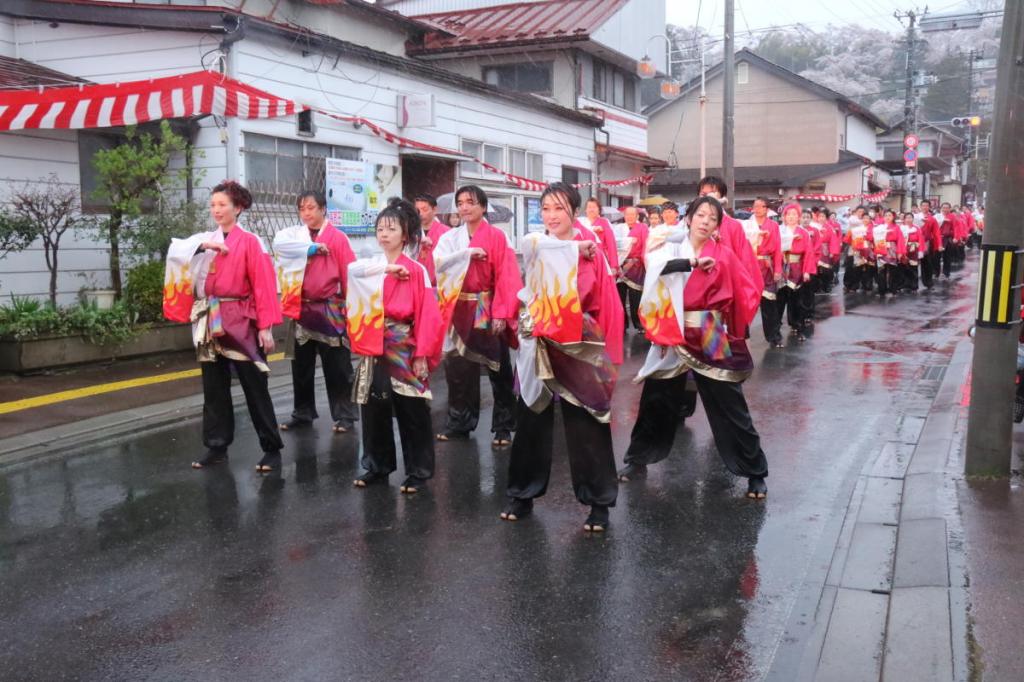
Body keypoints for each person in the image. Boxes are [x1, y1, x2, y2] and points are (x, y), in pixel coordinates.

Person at [617, 196, 768, 499]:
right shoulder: (670, 249)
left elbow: (747, 291)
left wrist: (735, 330)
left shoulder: (724, 254)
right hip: (672, 327)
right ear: (688, 218)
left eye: (713, 218)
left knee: (729, 402)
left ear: (717, 226)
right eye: (700, 215)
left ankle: (755, 471)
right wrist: (657, 332)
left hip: (710, 328)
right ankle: (638, 459)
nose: (705, 221)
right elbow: (653, 286)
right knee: (656, 398)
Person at [501, 183, 624, 532]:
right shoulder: (538, 245)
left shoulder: (592, 251)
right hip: (539, 340)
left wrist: (609, 356)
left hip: (580, 342)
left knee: (586, 421)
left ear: (574, 211)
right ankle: (522, 493)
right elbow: (528, 256)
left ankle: (598, 502)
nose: (551, 216)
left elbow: (608, 305)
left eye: (559, 208)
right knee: (531, 417)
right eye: (545, 209)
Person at [163, 181, 284, 472]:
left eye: (222, 205)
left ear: (238, 208)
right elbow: (176, 250)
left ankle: (271, 448)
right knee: (214, 387)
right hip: (209, 318)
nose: (216, 210)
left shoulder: (252, 242)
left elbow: (264, 285)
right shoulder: (205, 238)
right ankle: (217, 446)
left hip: (241, 318)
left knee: (255, 386)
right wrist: (204, 245)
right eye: (213, 205)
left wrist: (265, 327)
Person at [347, 199, 444, 493]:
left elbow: (428, 315)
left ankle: (418, 469)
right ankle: (377, 465)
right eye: (380, 229)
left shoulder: (416, 270)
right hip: (375, 342)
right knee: (374, 406)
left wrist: (422, 353)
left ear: (405, 234)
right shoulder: (372, 266)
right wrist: (384, 271)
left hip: (404, 343)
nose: (384, 234)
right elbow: (351, 271)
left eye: (391, 228)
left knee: (411, 408)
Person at [433, 185, 523, 446]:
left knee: (498, 366)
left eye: (470, 202)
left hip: (485, 303)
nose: (464, 207)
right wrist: (467, 254)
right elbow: (439, 264)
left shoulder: (497, 237)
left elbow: (508, 277)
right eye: (460, 203)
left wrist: (502, 313)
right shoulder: (450, 238)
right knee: (459, 369)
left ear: (483, 206)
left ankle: (504, 425)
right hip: (458, 305)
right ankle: (459, 423)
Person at [273, 190, 359, 435]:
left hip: (330, 306)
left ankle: (344, 414)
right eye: (302, 208)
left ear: (323, 209)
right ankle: (302, 412)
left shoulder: (338, 238)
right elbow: (280, 252)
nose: (306, 213)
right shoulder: (294, 236)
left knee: (338, 366)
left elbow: (348, 273)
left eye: (311, 207)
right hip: (302, 306)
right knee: (300, 365)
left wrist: (351, 309)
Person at [697, 176, 763, 307]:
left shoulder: (733, 226)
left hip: (727, 289)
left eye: (712, 193)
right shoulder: (690, 223)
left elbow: (745, 262)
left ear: (721, 198)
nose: (707, 198)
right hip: (699, 290)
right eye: (703, 194)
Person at [742, 197, 783, 347]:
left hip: (766, 266)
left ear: (767, 209)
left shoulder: (773, 226)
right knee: (745, 303)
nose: (757, 209)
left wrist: (778, 269)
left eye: (761, 206)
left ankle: (774, 337)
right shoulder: (746, 225)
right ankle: (742, 336)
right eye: (755, 206)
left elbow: (778, 249)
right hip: (749, 266)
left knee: (769, 303)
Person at [777, 203, 815, 340]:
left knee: (797, 300)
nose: (791, 217)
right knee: (779, 299)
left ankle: (797, 326)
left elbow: (809, 254)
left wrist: (806, 271)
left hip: (796, 268)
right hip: (781, 267)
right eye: (789, 214)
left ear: (798, 217)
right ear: (784, 217)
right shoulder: (779, 230)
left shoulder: (803, 233)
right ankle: (776, 329)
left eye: (794, 214)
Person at [618, 206, 647, 332]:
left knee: (636, 297)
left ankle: (638, 323)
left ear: (637, 216)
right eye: (627, 214)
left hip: (636, 266)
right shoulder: (619, 229)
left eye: (632, 214)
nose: (629, 217)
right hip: (619, 265)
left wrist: (643, 262)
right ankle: (622, 325)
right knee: (620, 297)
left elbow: (646, 246)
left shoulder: (643, 228)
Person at [575, 196, 619, 274]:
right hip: (582, 259)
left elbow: (611, 244)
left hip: (599, 258)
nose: (591, 209)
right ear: (585, 210)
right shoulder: (580, 222)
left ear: (599, 210)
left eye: (594, 207)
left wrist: (613, 265)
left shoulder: (604, 222)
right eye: (589, 207)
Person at [413, 193, 450, 286]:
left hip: (439, 285)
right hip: (416, 282)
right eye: (417, 210)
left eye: (424, 209)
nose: (420, 214)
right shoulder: (411, 232)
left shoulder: (446, 232)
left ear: (434, 210)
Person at [874, 209, 906, 297]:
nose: (887, 217)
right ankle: (882, 291)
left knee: (893, 271)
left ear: (893, 217)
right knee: (881, 271)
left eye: (889, 215)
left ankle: (893, 290)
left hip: (892, 248)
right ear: (883, 217)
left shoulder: (896, 227)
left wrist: (900, 252)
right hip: (881, 247)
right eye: (886, 215)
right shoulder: (879, 227)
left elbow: (900, 240)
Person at [843, 210, 873, 293]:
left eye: (868, 218)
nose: (866, 220)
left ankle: (867, 286)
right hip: (856, 250)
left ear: (870, 220)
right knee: (855, 268)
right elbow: (847, 239)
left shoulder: (874, 229)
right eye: (864, 218)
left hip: (869, 250)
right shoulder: (855, 229)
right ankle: (853, 285)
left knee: (868, 269)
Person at [918, 200, 942, 288]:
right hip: (913, 242)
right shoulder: (915, 217)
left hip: (926, 243)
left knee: (926, 262)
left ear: (929, 207)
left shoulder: (932, 219)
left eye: (926, 206)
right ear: (920, 207)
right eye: (923, 205)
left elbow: (936, 233)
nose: (925, 207)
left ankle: (928, 282)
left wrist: (939, 244)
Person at [900, 212, 923, 292]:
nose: (908, 220)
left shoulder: (917, 228)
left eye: (910, 218)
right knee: (903, 268)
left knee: (913, 269)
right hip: (904, 250)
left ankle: (914, 286)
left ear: (913, 219)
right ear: (904, 219)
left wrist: (920, 251)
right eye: (907, 218)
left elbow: (921, 240)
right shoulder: (901, 228)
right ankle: (904, 285)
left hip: (913, 250)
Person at [937, 202, 958, 278]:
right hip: (938, 239)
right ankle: (936, 272)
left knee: (947, 257)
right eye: (943, 207)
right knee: (937, 257)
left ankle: (946, 272)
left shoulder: (952, 216)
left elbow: (955, 227)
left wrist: (955, 237)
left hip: (947, 239)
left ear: (949, 209)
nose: (945, 209)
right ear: (941, 208)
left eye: (947, 208)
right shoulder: (938, 216)